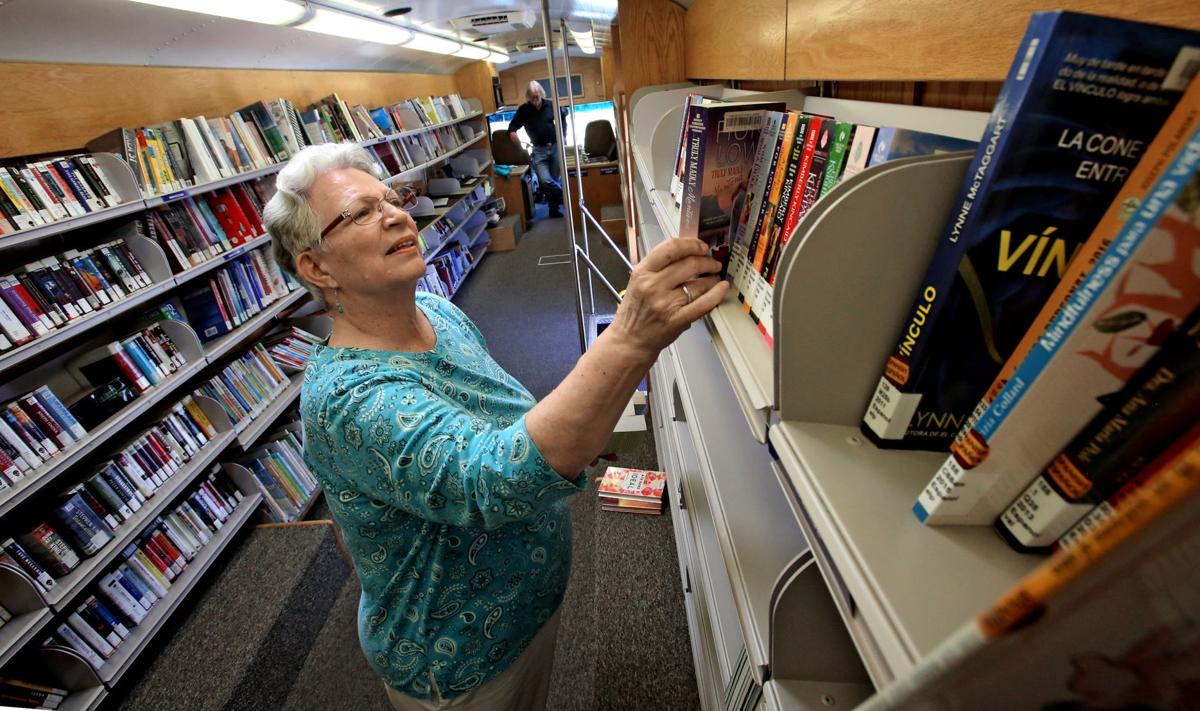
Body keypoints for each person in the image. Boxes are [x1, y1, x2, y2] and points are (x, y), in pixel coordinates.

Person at [263, 143, 727, 711]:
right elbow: (493, 479)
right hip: (460, 659)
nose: (397, 215)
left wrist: (582, 428)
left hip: (520, 612)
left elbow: (502, 417)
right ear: (317, 267)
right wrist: (631, 337)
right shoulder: (348, 400)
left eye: (392, 199)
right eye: (361, 213)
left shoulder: (436, 312)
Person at [507, 81, 564, 218]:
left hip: (555, 147)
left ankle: (553, 209)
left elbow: (562, 118)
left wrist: (564, 137)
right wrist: (513, 134)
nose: (535, 100)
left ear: (541, 94)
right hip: (539, 151)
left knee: (554, 178)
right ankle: (565, 192)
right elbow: (512, 127)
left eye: (537, 96)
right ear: (528, 96)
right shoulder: (524, 110)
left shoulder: (550, 105)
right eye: (532, 97)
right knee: (545, 180)